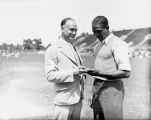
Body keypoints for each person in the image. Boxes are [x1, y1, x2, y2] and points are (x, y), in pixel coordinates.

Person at [87, 16, 131, 120]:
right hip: (97, 88)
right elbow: (98, 73)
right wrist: (92, 92)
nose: (96, 35)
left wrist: (100, 73)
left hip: (112, 89)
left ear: (107, 28)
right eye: (94, 32)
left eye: (99, 31)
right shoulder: (98, 46)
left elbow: (126, 73)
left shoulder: (118, 44)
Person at [45, 18, 87, 120]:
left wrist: (83, 72)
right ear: (62, 29)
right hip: (64, 101)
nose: (74, 33)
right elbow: (50, 75)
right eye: (71, 29)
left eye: (76, 30)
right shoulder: (53, 49)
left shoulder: (73, 47)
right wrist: (73, 73)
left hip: (77, 98)